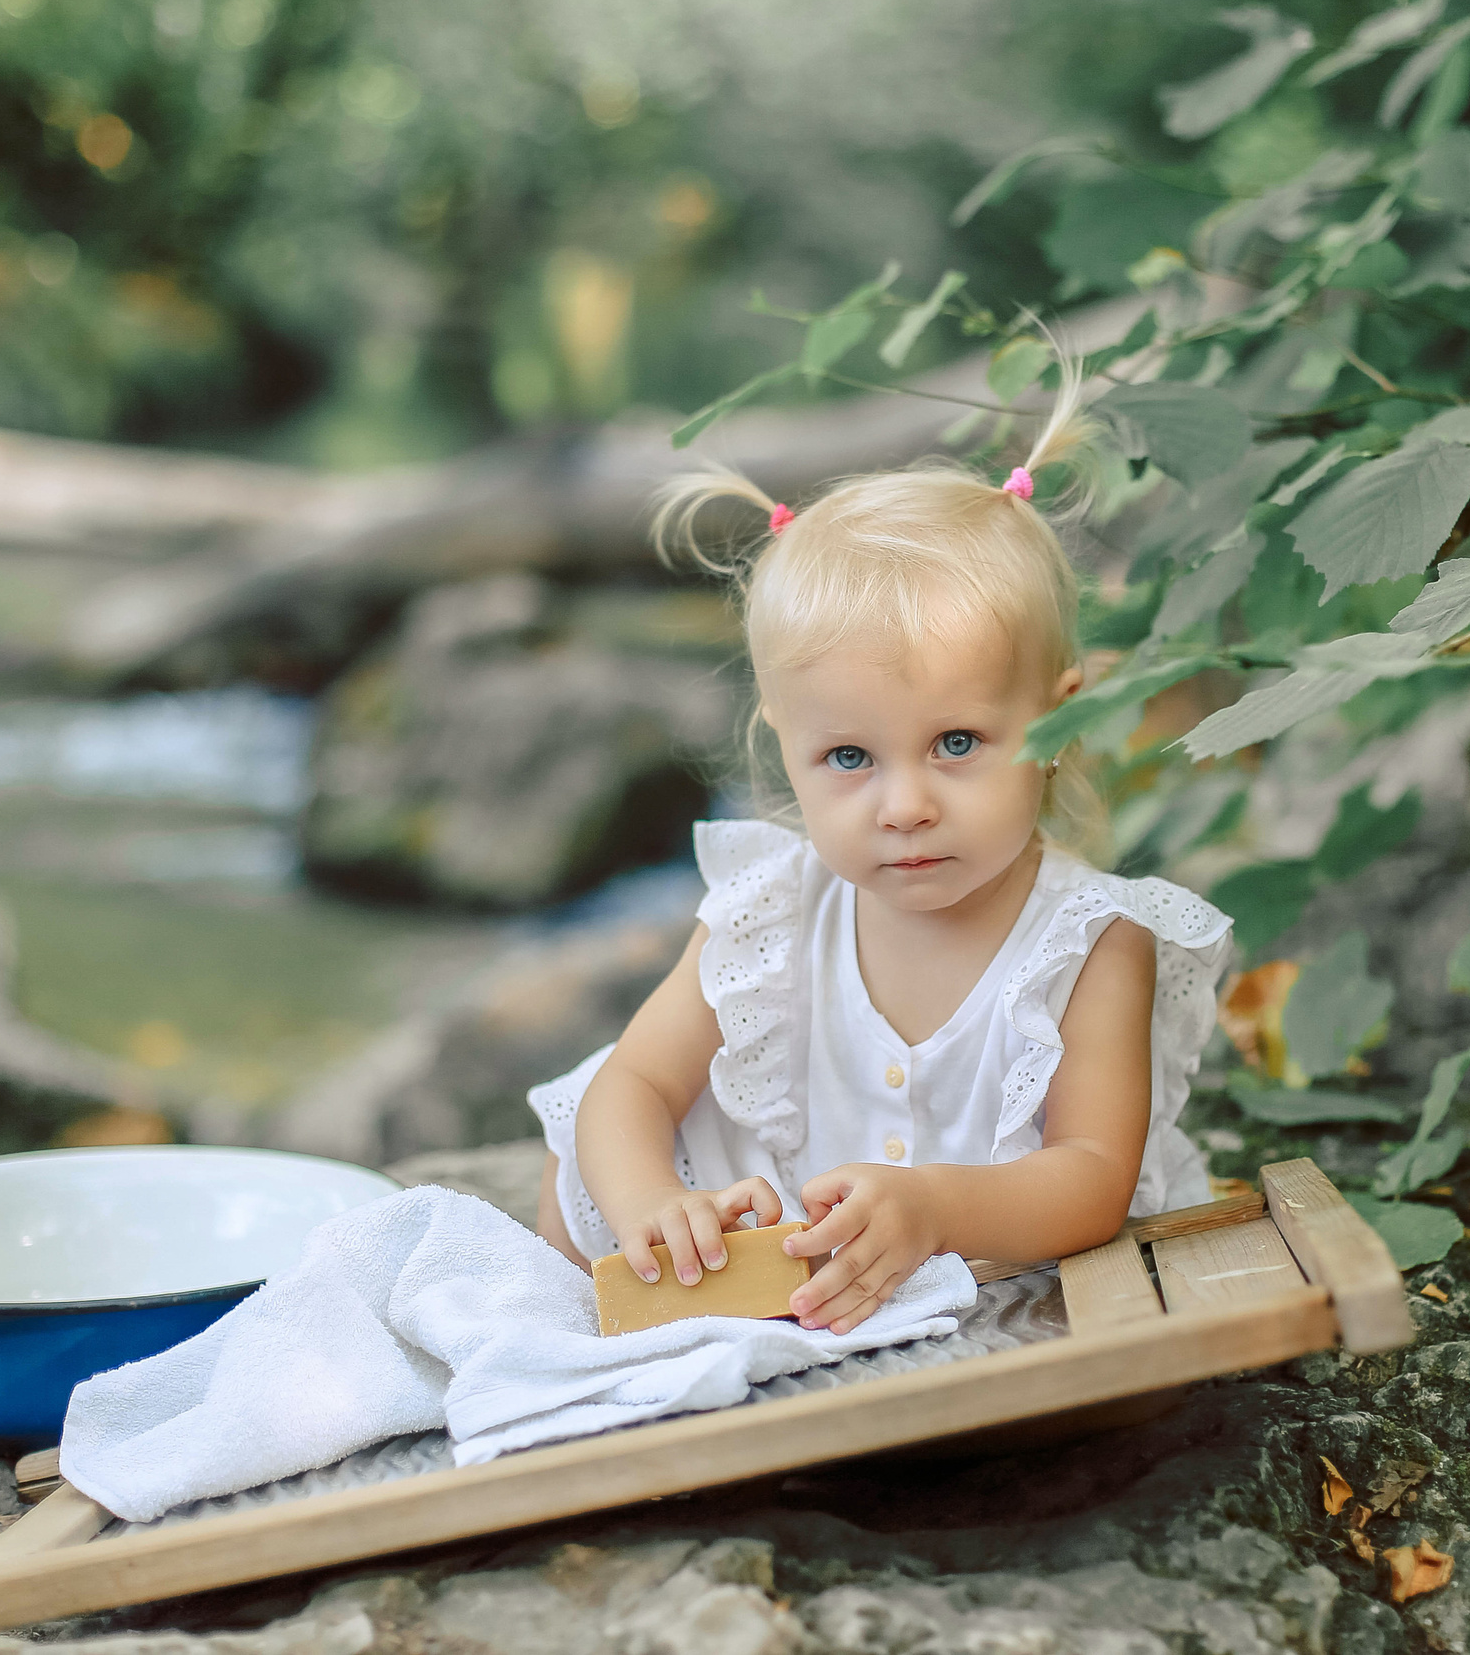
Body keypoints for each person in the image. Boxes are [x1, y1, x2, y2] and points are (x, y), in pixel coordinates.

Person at [527, 358, 1235, 1333]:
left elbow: (1091, 1176)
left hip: (982, 1244)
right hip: (774, 1235)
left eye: (957, 743)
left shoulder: (1090, 942)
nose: (904, 806)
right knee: (573, 1175)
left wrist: (936, 1206)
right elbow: (635, 1082)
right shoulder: (772, 910)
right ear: (785, 741)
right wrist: (657, 1202)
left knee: (1073, 1306)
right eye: (850, 757)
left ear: (1057, 719)